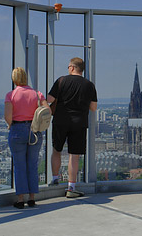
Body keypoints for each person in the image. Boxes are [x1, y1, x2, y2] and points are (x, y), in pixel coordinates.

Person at [47, 57, 98, 198]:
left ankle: (55, 179)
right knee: (74, 156)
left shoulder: (61, 81)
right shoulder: (89, 85)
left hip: (60, 121)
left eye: (69, 66)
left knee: (56, 150)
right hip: (79, 123)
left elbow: (49, 100)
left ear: (72, 67)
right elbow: (93, 108)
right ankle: (71, 187)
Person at [4, 67, 49, 209]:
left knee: (19, 165)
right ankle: (32, 198)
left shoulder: (11, 95)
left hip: (17, 130)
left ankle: (20, 199)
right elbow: (47, 110)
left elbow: (7, 116)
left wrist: (11, 125)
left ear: (14, 79)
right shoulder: (37, 94)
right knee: (32, 164)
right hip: (34, 130)